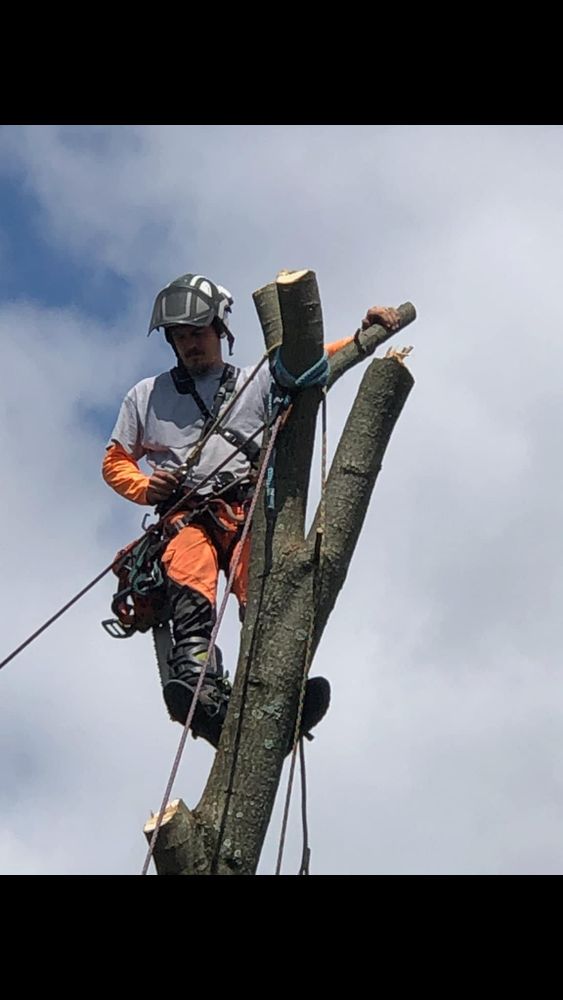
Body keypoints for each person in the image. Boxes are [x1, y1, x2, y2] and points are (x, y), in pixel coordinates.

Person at [103, 273, 400, 747]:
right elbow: (116, 460)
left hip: (245, 513)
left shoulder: (254, 384)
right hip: (186, 514)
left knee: (260, 585)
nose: (189, 345)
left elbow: (313, 363)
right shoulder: (146, 396)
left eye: (197, 334)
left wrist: (365, 335)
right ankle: (198, 680)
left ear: (219, 330)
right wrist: (146, 487)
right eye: (180, 337)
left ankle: (278, 685)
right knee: (188, 564)